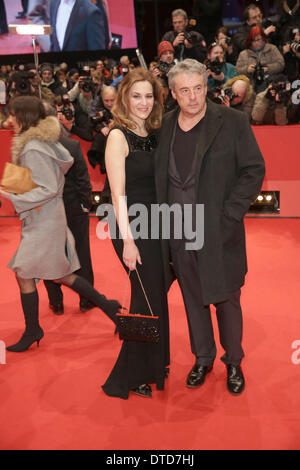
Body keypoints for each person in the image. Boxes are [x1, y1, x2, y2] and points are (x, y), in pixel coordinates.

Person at [154, 59, 265, 395]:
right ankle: (203, 357)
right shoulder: (164, 126)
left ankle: (233, 361)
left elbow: (253, 170)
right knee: (192, 299)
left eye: (198, 88)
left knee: (227, 299)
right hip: (177, 232)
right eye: (184, 90)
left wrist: (229, 215)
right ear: (173, 93)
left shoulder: (232, 122)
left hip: (219, 232)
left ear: (207, 87)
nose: (192, 97)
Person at [0, 96, 121, 353]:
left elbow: (47, 188)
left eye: (12, 115)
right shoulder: (41, 142)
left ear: (23, 117)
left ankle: (33, 330)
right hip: (46, 218)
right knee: (60, 275)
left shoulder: (33, 147)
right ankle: (109, 306)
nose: (8, 121)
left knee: (24, 272)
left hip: (44, 220)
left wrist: (8, 195)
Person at [101, 68, 170, 399]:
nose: (143, 103)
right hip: (131, 225)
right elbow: (117, 196)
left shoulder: (155, 132)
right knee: (145, 296)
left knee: (154, 295)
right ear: (125, 99)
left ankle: (154, 363)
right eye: (136, 96)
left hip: (158, 224)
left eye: (149, 96)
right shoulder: (118, 136)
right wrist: (127, 241)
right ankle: (129, 375)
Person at [42, 101, 95, 314]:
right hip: (72, 207)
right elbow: (83, 180)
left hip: (48, 210)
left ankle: (56, 302)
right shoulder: (71, 145)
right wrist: (85, 205)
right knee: (81, 252)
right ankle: (87, 298)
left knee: (49, 255)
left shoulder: (33, 148)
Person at [236, 25, 285, 93]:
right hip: (251, 87)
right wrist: (247, 70)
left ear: (263, 38)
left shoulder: (272, 48)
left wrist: (268, 68)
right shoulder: (243, 54)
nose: (256, 43)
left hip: (271, 83)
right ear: (249, 40)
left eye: (258, 40)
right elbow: (238, 70)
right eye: (253, 40)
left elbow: (281, 64)